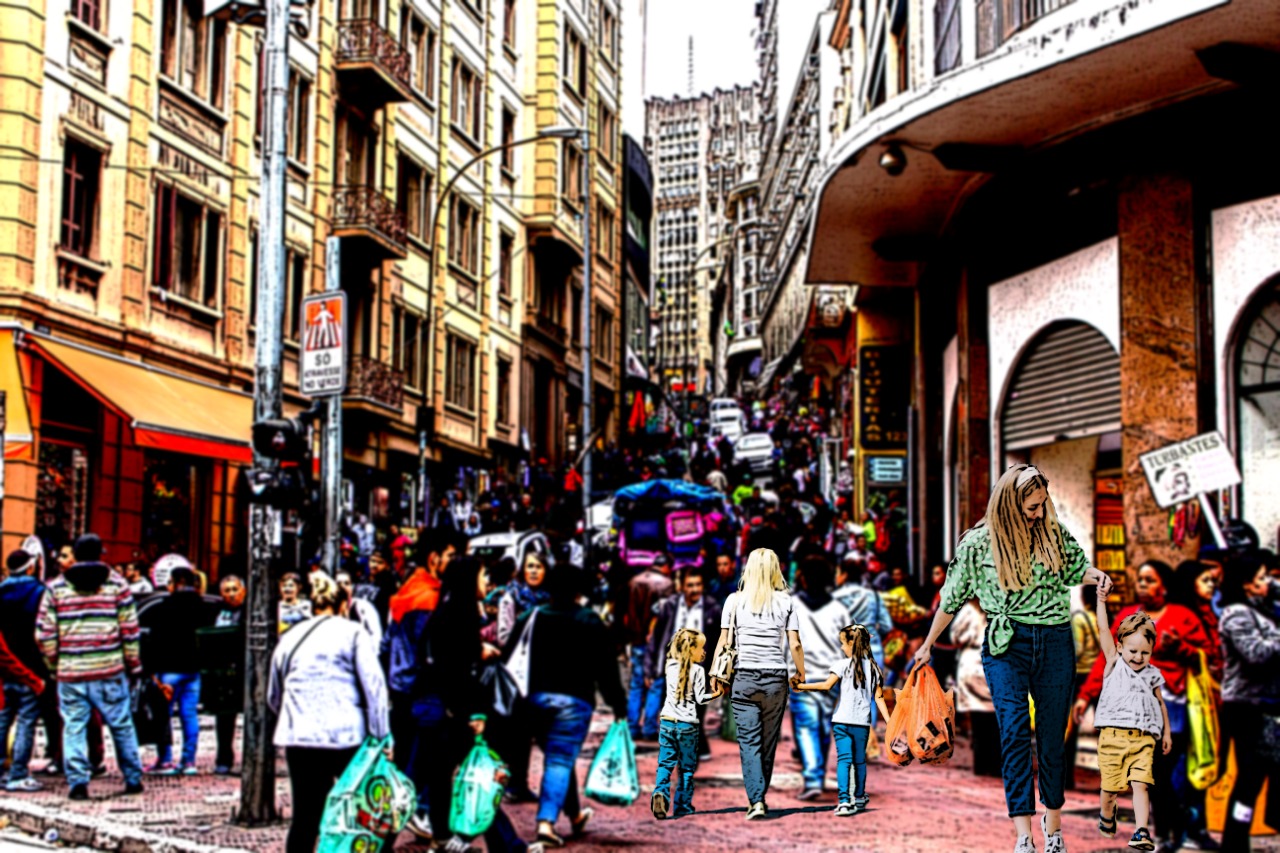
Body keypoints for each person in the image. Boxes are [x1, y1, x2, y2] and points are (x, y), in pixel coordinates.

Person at [914, 465, 1112, 853]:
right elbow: (950, 599)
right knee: (1015, 733)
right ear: (1008, 503)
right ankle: (1024, 835)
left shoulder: (1052, 532)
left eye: (1042, 505)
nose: (1038, 513)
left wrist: (1096, 576)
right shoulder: (977, 544)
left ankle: (1053, 827)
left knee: (1052, 739)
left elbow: (1076, 569)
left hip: (1055, 640)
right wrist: (927, 644)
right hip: (1006, 645)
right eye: (1031, 507)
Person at [1075, 559, 1212, 852]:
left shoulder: (1183, 616)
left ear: (1164, 586)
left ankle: (1176, 827)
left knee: (1164, 774)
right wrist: (1086, 695)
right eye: (1140, 580)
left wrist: (1181, 648)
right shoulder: (1129, 616)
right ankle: (1166, 833)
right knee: (1152, 775)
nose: (1143, 585)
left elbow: (1209, 656)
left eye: (1149, 580)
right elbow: (1108, 658)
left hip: (1173, 708)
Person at [268, 573, 389, 853]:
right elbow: (374, 688)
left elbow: (274, 694)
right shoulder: (354, 633)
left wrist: (293, 716)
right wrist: (381, 734)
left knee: (305, 819)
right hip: (347, 737)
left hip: (300, 739)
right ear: (343, 605)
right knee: (364, 812)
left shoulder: (290, 637)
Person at [511, 564, 627, 847]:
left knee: (558, 756)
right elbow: (607, 669)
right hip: (574, 701)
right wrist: (618, 704)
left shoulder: (531, 617)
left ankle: (575, 816)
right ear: (578, 590)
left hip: (535, 700)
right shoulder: (589, 621)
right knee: (560, 759)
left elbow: (510, 656)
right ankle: (546, 822)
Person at [35, 533, 145, 800]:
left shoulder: (56, 588)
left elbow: (44, 634)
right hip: (109, 668)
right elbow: (130, 630)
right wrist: (133, 664)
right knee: (121, 724)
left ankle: (78, 782)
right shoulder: (117, 585)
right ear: (100, 554)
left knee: (73, 726)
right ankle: (132, 778)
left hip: (71, 671)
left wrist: (54, 665)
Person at [710, 548, 805, 820]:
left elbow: (724, 641)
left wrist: (715, 673)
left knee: (749, 742)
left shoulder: (734, 601)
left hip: (744, 677)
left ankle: (756, 800)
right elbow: (795, 643)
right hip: (776, 677)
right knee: (768, 741)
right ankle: (759, 793)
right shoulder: (786, 602)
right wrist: (801, 673)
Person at [1092, 591, 1171, 852]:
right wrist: (1101, 601)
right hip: (1112, 738)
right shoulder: (1114, 664)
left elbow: (1160, 703)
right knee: (1110, 789)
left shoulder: (1153, 674)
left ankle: (1141, 831)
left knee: (1141, 784)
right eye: (1133, 651)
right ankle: (1107, 813)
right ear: (1119, 647)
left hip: (1143, 739)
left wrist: (1166, 733)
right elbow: (1103, 628)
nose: (1138, 657)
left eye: (1145, 653)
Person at [1217, 554, 1280, 853]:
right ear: (1246, 584)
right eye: (1261, 577)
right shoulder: (1237, 614)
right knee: (1250, 778)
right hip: (1246, 707)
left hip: (1268, 705)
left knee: (1262, 774)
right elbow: (1255, 653)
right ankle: (1235, 839)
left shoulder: (1265, 608)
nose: (1267, 582)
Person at [795, 624, 891, 816]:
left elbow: (826, 686)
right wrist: (890, 721)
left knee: (844, 761)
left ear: (851, 644)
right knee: (859, 761)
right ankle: (860, 797)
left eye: (842, 643)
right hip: (862, 723)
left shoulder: (842, 665)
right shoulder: (874, 668)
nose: (841, 647)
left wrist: (802, 687)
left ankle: (845, 801)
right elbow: (879, 697)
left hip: (842, 721)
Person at [388, 527, 461, 773]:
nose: (454, 562)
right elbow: (432, 650)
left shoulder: (408, 589)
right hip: (421, 692)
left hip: (401, 687)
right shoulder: (429, 599)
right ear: (433, 558)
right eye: (450, 556)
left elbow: (387, 644)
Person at [142, 567, 213, 775]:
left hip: (169, 669)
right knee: (189, 715)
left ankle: (165, 760)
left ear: (174, 583)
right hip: (194, 669)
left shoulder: (165, 606)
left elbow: (154, 639)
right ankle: (188, 761)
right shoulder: (204, 606)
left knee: (163, 715)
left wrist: (150, 669)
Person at [646, 569, 722, 761]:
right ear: (681, 586)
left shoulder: (712, 609)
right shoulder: (670, 606)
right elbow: (656, 638)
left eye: (698, 585)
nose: (694, 589)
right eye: (690, 585)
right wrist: (650, 668)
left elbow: (722, 643)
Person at [788, 557, 846, 800]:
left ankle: (813, 778)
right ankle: (816, 775)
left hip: (802, 677)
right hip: (831, 678)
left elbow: (785, 642)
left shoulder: (792, 606)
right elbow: (848, 645)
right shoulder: (839, 610)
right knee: (822, 727)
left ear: (803, 578)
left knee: (807, 726)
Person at [651, 628, 723, 820]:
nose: (704, 652)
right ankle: (682, 805)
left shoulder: (669, 666)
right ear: (691, 649)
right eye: (700, 648)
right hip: (687, 724)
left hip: (667, 721)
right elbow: (700, 699)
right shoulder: (698, 671)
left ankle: (660, 793)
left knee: (665, 763)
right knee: (686, 768)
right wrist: (716, 693)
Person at [0, 549, 51, 791]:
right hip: (32, 664)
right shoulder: (41, 592)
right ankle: (18, 774)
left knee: (3, 718)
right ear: (30, 567)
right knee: (27, 721)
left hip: (4, 665)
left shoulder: (1, 591)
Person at [625, 553, 674, 741]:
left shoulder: (634, 581)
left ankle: (632, 727)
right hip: (655, 643)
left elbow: (625, 613)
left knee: (636, 685)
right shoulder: (666, 584)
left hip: (636, 640)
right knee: (655, 684)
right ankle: (649, 728)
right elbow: (664, 616)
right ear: (666, 567)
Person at [953, 598, 999, 777]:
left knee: (978, 717)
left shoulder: (968, 610)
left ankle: (981, 764)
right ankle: (995, 764)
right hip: (997, 662)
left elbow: (956, 636)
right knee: (997, 717)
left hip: (972, 662)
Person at [210, 575, 246, 775]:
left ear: (243, 591)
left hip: (245, 670)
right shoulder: (216, 611)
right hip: (223, 672)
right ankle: (223, 759)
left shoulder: (250, 611)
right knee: (224, 719)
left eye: (235, 589)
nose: (232, 594)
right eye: (227, 590)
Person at [337, 571, 383, 650]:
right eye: (339, 583)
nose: (343, 586)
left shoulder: (364, 607)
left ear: (352, 586)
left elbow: (376, 635)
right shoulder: (330, 610)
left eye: (347, 583)